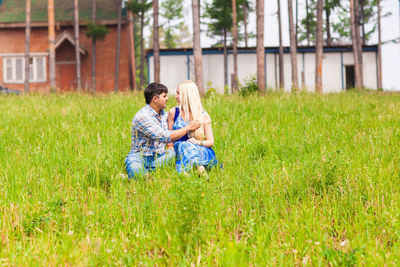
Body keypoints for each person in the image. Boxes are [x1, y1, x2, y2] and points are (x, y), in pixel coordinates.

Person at [125, 82, 201, 179]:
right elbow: (163, 136)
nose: (167, 99)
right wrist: (188, 128)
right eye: (164, 96)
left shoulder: (165, 115)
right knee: (135, 166)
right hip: (140, 156)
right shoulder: (142, 116)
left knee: (173, 154)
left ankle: (140, 175)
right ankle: (144, 176)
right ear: (155, 99)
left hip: (160, 156)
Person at [167, 80, 219, 174]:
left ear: (187, 96)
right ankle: (200, 168)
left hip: (199, 149)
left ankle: (187, 172)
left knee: (188, 145)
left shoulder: (203, 116)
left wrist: (198, 142)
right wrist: (170, 147)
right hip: (179, 150)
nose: (176, 97)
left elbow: (211, 142)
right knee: (184, 145)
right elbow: (169, 138)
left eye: (179, 94)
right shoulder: (174, 112)